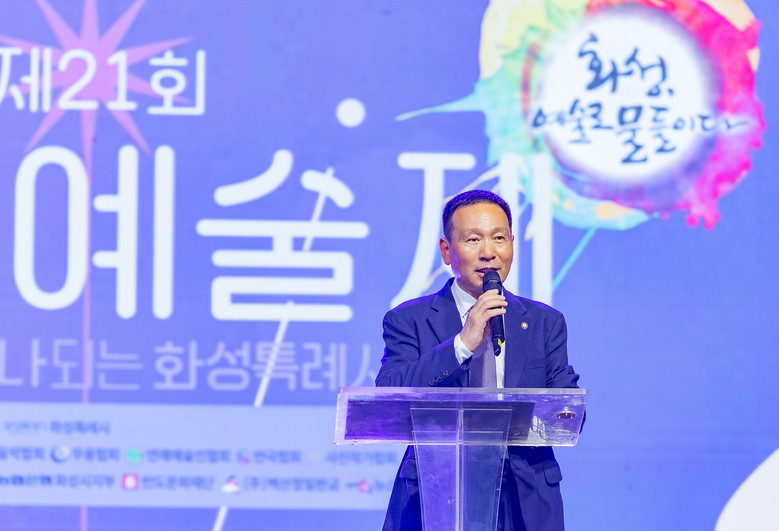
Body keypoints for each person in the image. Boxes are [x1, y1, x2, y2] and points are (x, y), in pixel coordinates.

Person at [376, 190, 580, 531]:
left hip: (525, 497)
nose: (489, 252)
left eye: (499, 238)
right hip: (438, 493)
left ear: (512, 244)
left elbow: (566, 409)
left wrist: (568, 408)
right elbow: (389, 395)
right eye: (473, 239)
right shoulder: (408, 319)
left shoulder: (544, 322)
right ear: (446, 250)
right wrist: (462, 344)